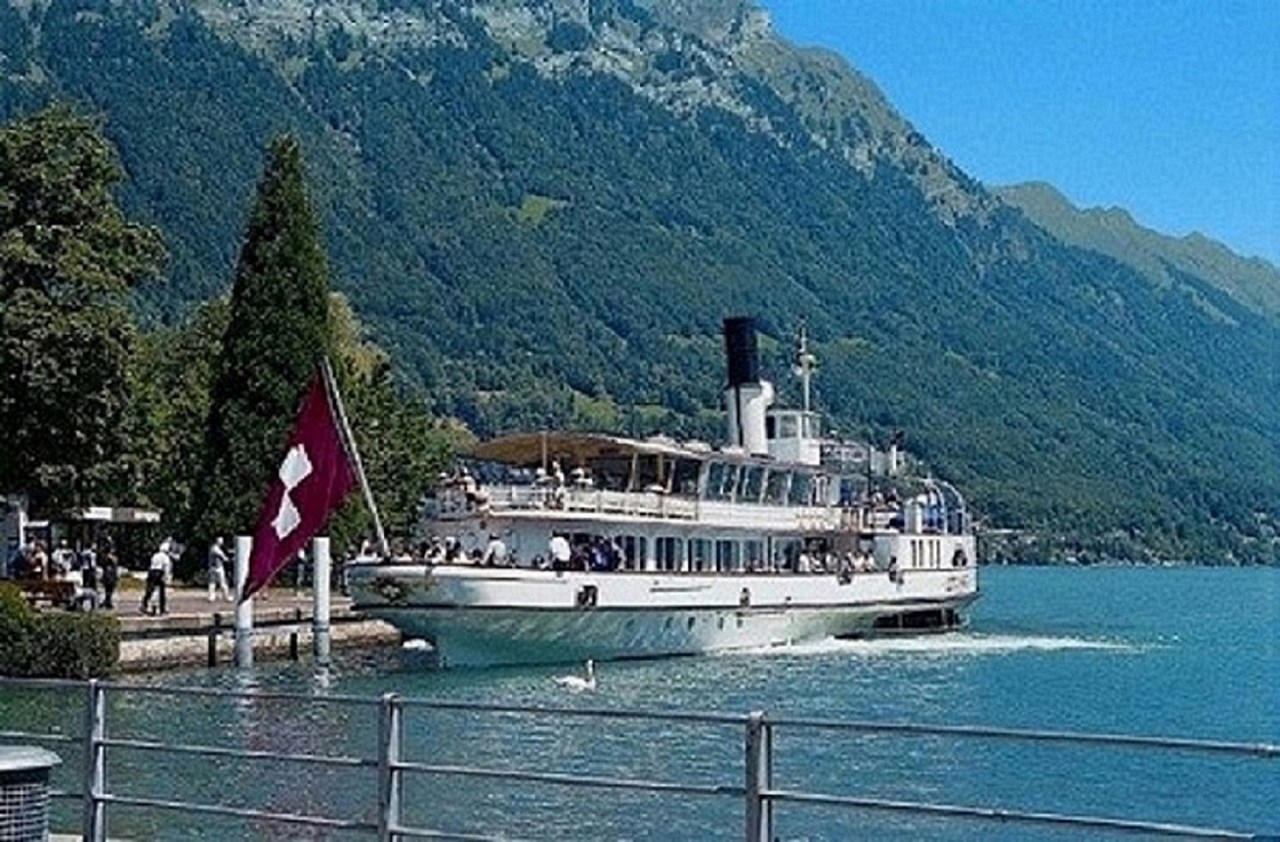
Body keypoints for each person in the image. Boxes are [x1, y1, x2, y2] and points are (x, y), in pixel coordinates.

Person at [141, 541, 172, 615]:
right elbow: (166, 568)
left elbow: (151, 564)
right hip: (159, 573)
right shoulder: (165, 557)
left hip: (151, 572)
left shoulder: (155, 555)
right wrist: (166, 578)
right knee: (161, 592)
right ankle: (162, 609)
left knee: (149, 590)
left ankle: (144, 604)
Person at [207, 537, 231, 602]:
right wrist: (226, 558)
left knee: (217, 583)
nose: (222, 542)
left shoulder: (215, 548)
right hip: (216, 568)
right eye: (220, 541)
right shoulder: (215, 548)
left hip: (215, 567)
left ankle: (224, 596)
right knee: (215, 583)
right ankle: (214, 597)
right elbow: (222, 556)